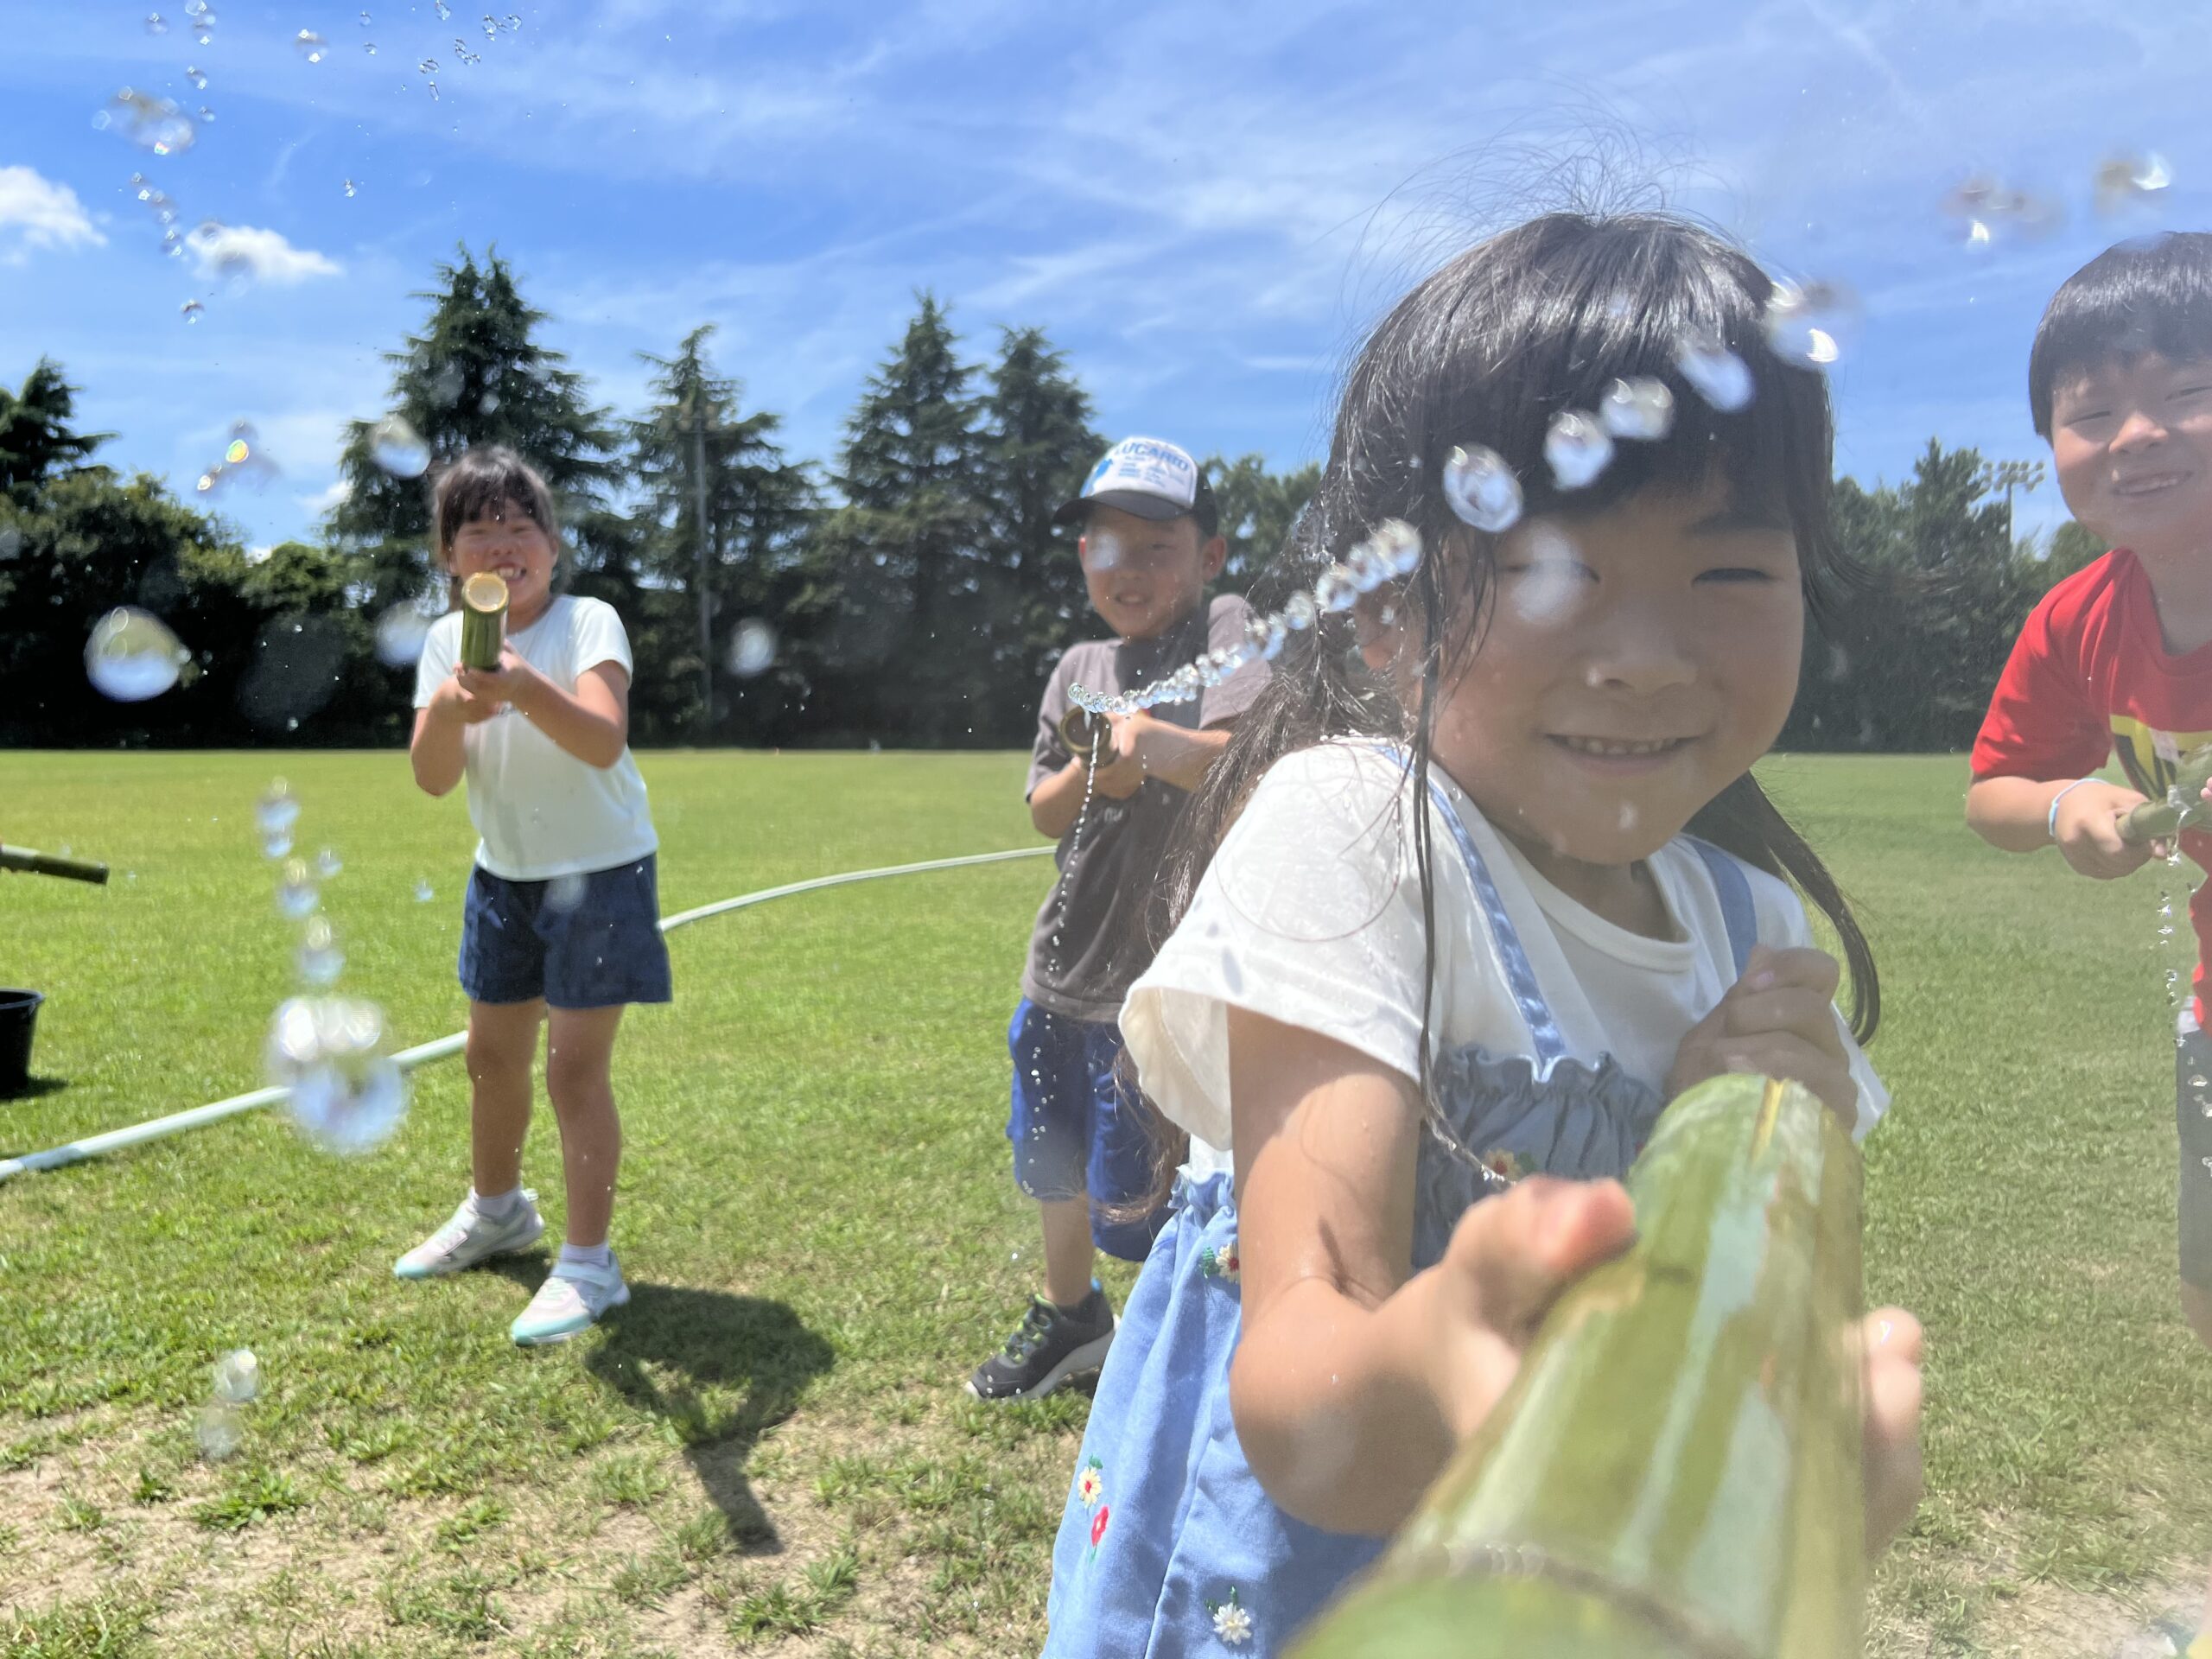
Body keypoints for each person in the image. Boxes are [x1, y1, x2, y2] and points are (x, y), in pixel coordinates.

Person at [1041, 213, 1926, 1655]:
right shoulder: (1358, 834)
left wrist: (1782, 1450)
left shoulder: (1756, 932)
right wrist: (1443, 1374)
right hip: (1280, 1594)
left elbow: (1774, 1322)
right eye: (1551, 571)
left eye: (1730, 573)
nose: (1644, 654)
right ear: (1391, 614)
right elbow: (1301, 1381)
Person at [1966, 232, 2212, 1657]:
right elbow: (1992, 791)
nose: (2136, 433)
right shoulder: (2079, 622)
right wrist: (2068, 803)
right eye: (2089, 410)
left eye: (2182, 388)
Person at [967, 436, 1270, 1402]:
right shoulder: (1079, 664)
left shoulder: (1230, 627)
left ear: (1211, 554)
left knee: (1160, 1185)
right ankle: (1072, 1318)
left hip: (1168, 975)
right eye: (1106, 547)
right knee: (1052, 1153)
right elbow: (1047, 810)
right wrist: (1105, 764)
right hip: (1063, 965)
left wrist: (1149, 741)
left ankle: (1184, 1353)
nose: (1126, 570)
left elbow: (1241, 759)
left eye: (1156, 547)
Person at [396, 446, 671, 1346]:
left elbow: (600, 739)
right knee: (489, 1056)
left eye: (523, 526)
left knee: (573, 1069)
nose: (502, 542)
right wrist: (447, 710)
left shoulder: (588, 623)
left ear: (553, 549)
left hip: (599, 875)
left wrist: (518, 686)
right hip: (503, 874)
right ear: (449, 559)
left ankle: (590, 1263)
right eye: (478, 529)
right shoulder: (446, 643)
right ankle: (498, 1210)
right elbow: (432, 780)